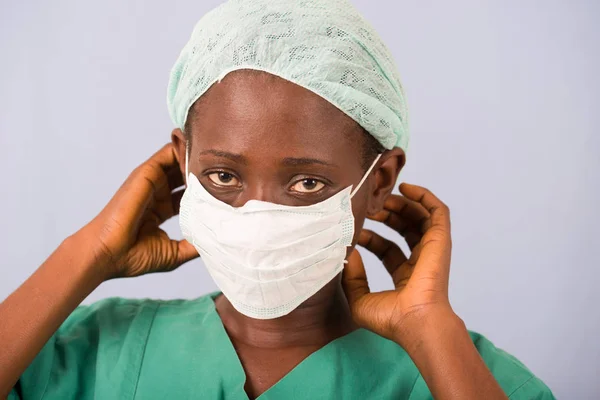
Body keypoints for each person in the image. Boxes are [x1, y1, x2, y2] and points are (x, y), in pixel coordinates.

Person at [1, 0, 555, 399]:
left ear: (379, 181)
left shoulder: (462, 375)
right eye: (222, 176)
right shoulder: (93, 352)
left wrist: (433, 330)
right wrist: (87, 254)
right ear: (183, 160)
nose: (256, 213)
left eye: (307, 183)